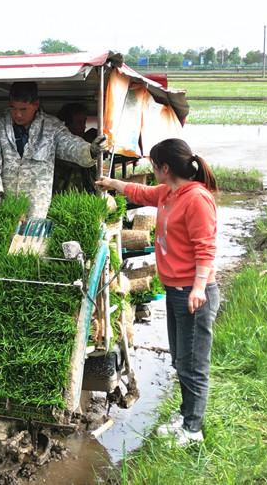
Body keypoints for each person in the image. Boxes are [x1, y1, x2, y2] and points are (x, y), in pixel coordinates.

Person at [95, 138, 218, 447]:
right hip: (177, 291)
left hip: (194, 293)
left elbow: (206, 249)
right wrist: (110, 183)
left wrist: (200, 288)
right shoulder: (169, 193)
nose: (151, 172)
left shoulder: (196, 199)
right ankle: (186, 416)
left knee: (194, 365)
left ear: (165, 168)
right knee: (180, 360)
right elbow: (141, 193)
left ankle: (193, 429)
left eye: (153, 165)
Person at [0, 82, 104, 218]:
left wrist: (90, 151)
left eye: (23, 109)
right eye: (13, 108)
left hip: (35, 210)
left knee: (31, 239)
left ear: (36, 105)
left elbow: (70, 145)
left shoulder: (51, 127)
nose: (17, 114)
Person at [52, 103, 99, 195]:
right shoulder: (58, 146)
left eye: (84, 122)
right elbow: (76, 161)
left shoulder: (87, 146)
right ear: (66, 125)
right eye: (79, 122)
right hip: (62, 199)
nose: (83, 126)